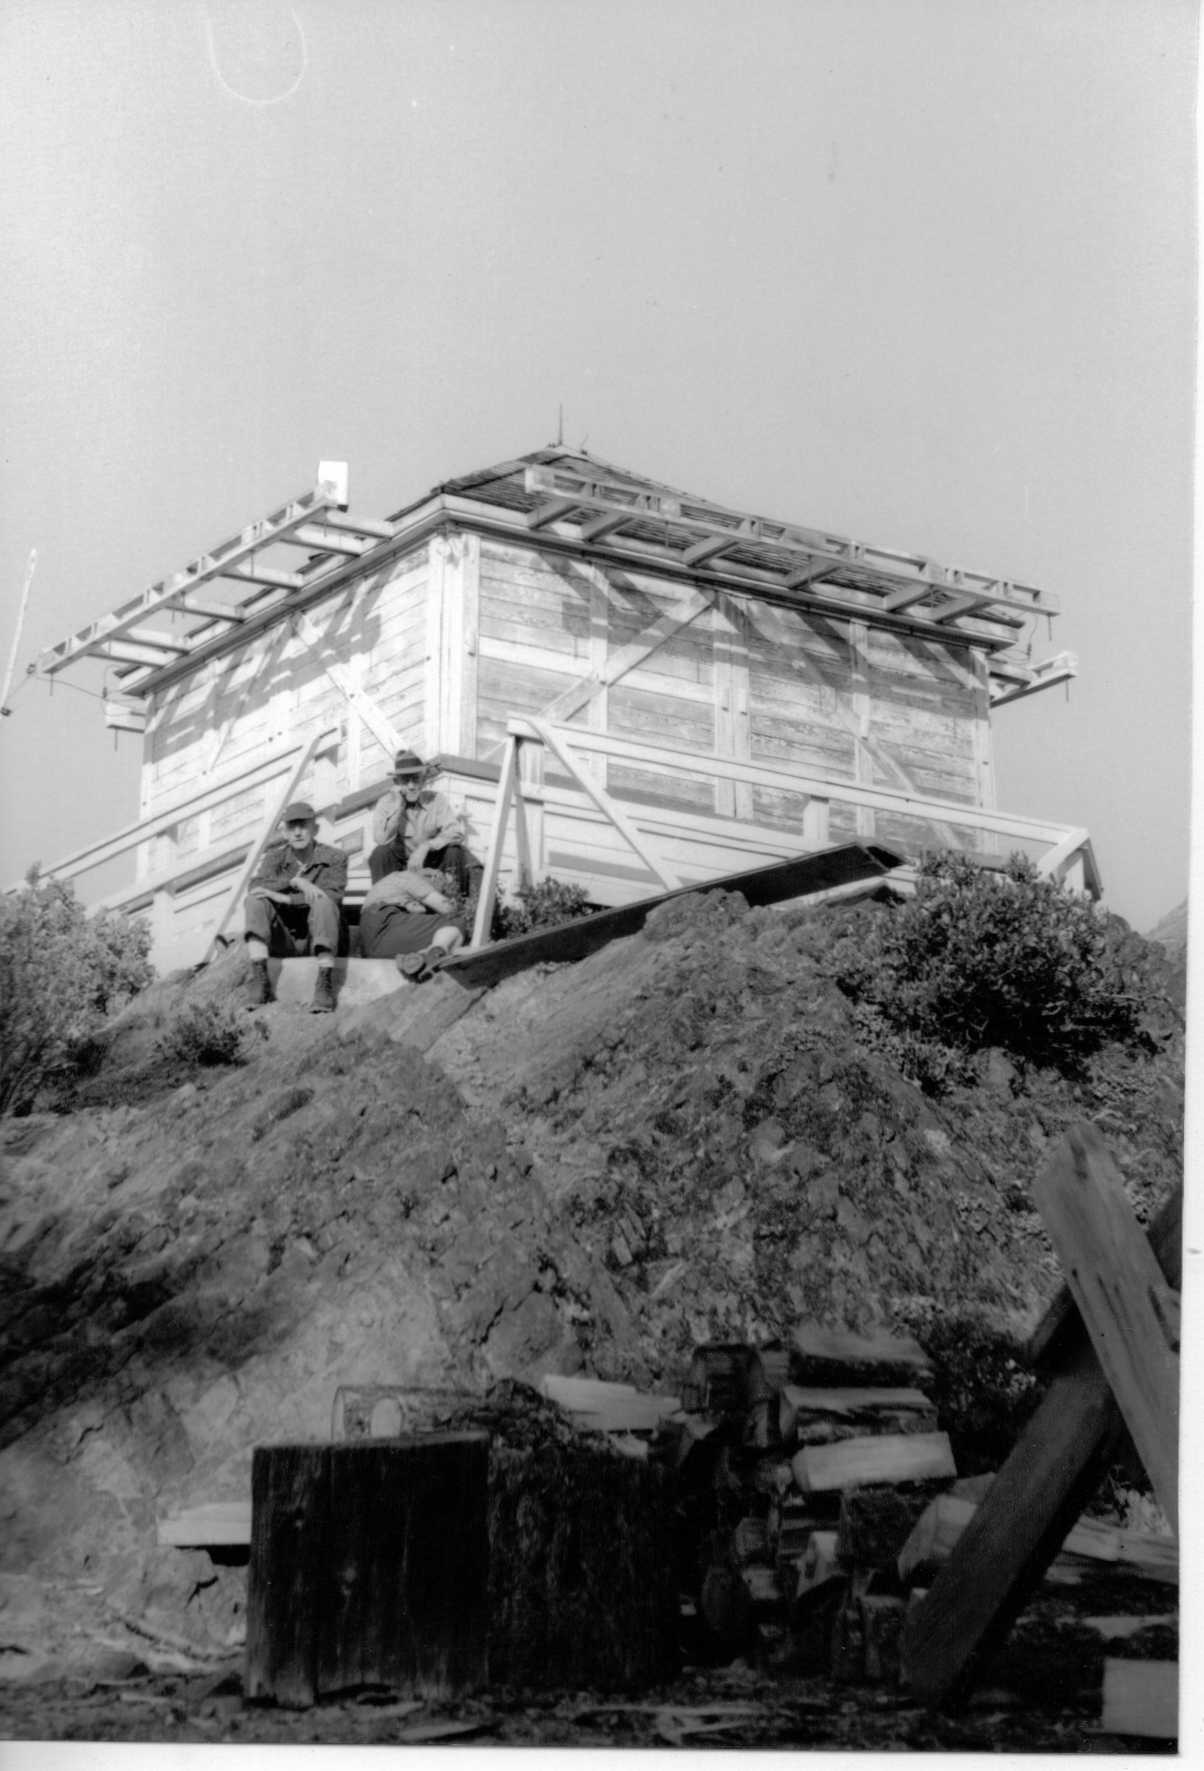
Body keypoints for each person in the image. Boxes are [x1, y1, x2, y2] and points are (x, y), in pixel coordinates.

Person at [243, 801, 348, 1012]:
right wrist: (294, 881)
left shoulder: (335, 857)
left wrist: (288, 899)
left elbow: (333, 896)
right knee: (254, 900)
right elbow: (255, 885)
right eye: (292, 827)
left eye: (303, 826)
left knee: (322, 902)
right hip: (285, 938)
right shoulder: (276, 857)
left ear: (315, 829)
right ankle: (260, 977)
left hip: (319, 936)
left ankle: (324, 983)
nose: (298, 833)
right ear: (284, 832)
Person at [369, 749, 480, 898]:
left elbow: (455, 832)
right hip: (401, 866)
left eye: (415, 779)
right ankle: (383, 904)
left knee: (455, 850)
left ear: (424, 780)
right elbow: (381, 839)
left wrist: (426, 847)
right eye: (405, 781)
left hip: (431, 862)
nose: (411, 786)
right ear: (396, 782)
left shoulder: (436, 800)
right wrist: (397, 807)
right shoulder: (386, 803)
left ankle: (454, 902)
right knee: (380, 853)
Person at [357, 863, 466, 979]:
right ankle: (436, 952)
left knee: (432, 933)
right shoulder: (410, 877)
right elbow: (446, 907)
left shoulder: (389, 884)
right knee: (456, 922)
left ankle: (419, 957)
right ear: (432, 877)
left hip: (370, 944)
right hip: (388, 921)